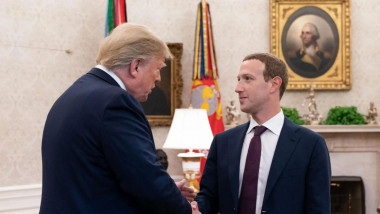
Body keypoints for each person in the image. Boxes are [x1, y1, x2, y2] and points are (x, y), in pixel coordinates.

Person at [40, 23, 197, 214]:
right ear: (136, 66)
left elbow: (103, 176)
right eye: (158, 69)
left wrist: (170, 193)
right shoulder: (116, 102)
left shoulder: (73, 93)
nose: (158, 78)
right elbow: (146, 179)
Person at [194, 53, 331, 214]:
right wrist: (193, 207)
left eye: (248, 79)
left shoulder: (310, 144)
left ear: (274, 84)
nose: (238, 88)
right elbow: (208, 198)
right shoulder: (223, 142)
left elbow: (319, 208)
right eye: (238, 79)